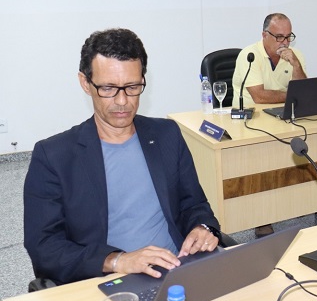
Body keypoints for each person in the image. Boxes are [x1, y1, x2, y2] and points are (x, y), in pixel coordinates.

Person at [24, 29, 221, 286]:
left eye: (132, 87)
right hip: (108, 281)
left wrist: (202, 228)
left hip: (178, 268)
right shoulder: (53, 156)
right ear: (85, 83)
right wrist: (117, 261)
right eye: (108, 88)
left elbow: (194, 204)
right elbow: (44, 247)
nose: (122, 101)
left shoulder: (167, 135)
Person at [232, 13, 307, 105]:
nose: (285, 42)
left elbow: (302, 90)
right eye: (279, 37)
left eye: (288, 36)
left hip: (282, 111)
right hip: (251, 112)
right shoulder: (250, 55)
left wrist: (296, 65)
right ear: (264, 35)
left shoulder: (295, 55)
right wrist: (293, 96)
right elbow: (259, 97)